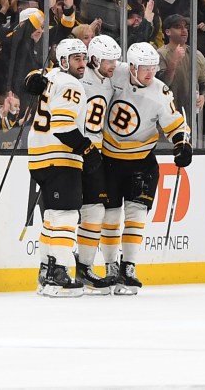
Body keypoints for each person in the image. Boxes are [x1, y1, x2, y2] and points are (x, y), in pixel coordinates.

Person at [100, 42, 191, 295]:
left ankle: (128, 266)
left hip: (141, 162)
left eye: (153, 68)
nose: (150, 73)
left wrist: (182, 144)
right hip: (108, 159)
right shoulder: (113, 73)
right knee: (109, 217)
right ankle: (110, 267)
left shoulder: (160, 92)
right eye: (144, 68)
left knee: (136, 214)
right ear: (131, 67)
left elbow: (176, 125)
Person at [25, 38, 98, 297]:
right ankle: (58, 274)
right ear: (64, 61)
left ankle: (47, 272)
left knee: (52, 217)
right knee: (66, 216)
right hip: (60, 158)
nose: (82, 63)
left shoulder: (51, 76)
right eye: (76, 58)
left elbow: (34, 77)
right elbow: (64, 126)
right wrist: (88, 150)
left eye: (83, 58)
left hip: (39, 157)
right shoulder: (70, 84)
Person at [73, 34, 123, 294]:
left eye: (115, 60)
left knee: (95, 212)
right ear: (94, 59)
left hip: (98, 153)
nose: (113, 65)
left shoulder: (110, 82)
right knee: (68, 213)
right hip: (76, 151)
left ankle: (85, 267)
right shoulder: (79, 81)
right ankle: (55, 266)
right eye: (108, 61)